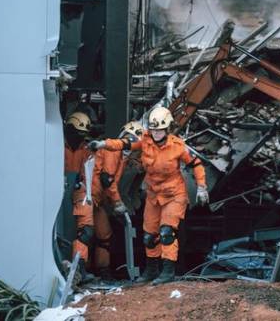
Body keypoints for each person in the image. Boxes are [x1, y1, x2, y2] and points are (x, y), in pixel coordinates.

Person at [90, 107, 208, 285]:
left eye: (160, 130)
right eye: (153, 129)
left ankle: (168, 271)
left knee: (167, 232)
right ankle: (151, 270)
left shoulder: (177, 146)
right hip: (154, 195)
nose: (156, 133)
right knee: (149, 236)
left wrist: (201, 187)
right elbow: (124, 144)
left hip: (174, 195)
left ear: (167, 129)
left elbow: (196, 163)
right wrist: (104, 144)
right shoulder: (145, 141)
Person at [91, 121, 143, 281]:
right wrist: (118, 203)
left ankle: (102, 271)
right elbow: (107, 180)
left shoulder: (123, 157)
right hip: (90, 197)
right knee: (85, 234)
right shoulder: (113, 152)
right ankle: (84, 271)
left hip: (97, 199)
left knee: (104, 236)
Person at [63, 111, 94, 284]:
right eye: (77, 134)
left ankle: (79, 267)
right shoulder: (56, 145)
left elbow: (88, 173)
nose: (80, 138)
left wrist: (81, 183)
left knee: (85, 231)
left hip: (78, 191)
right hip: (57, 192)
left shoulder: (85, 150)